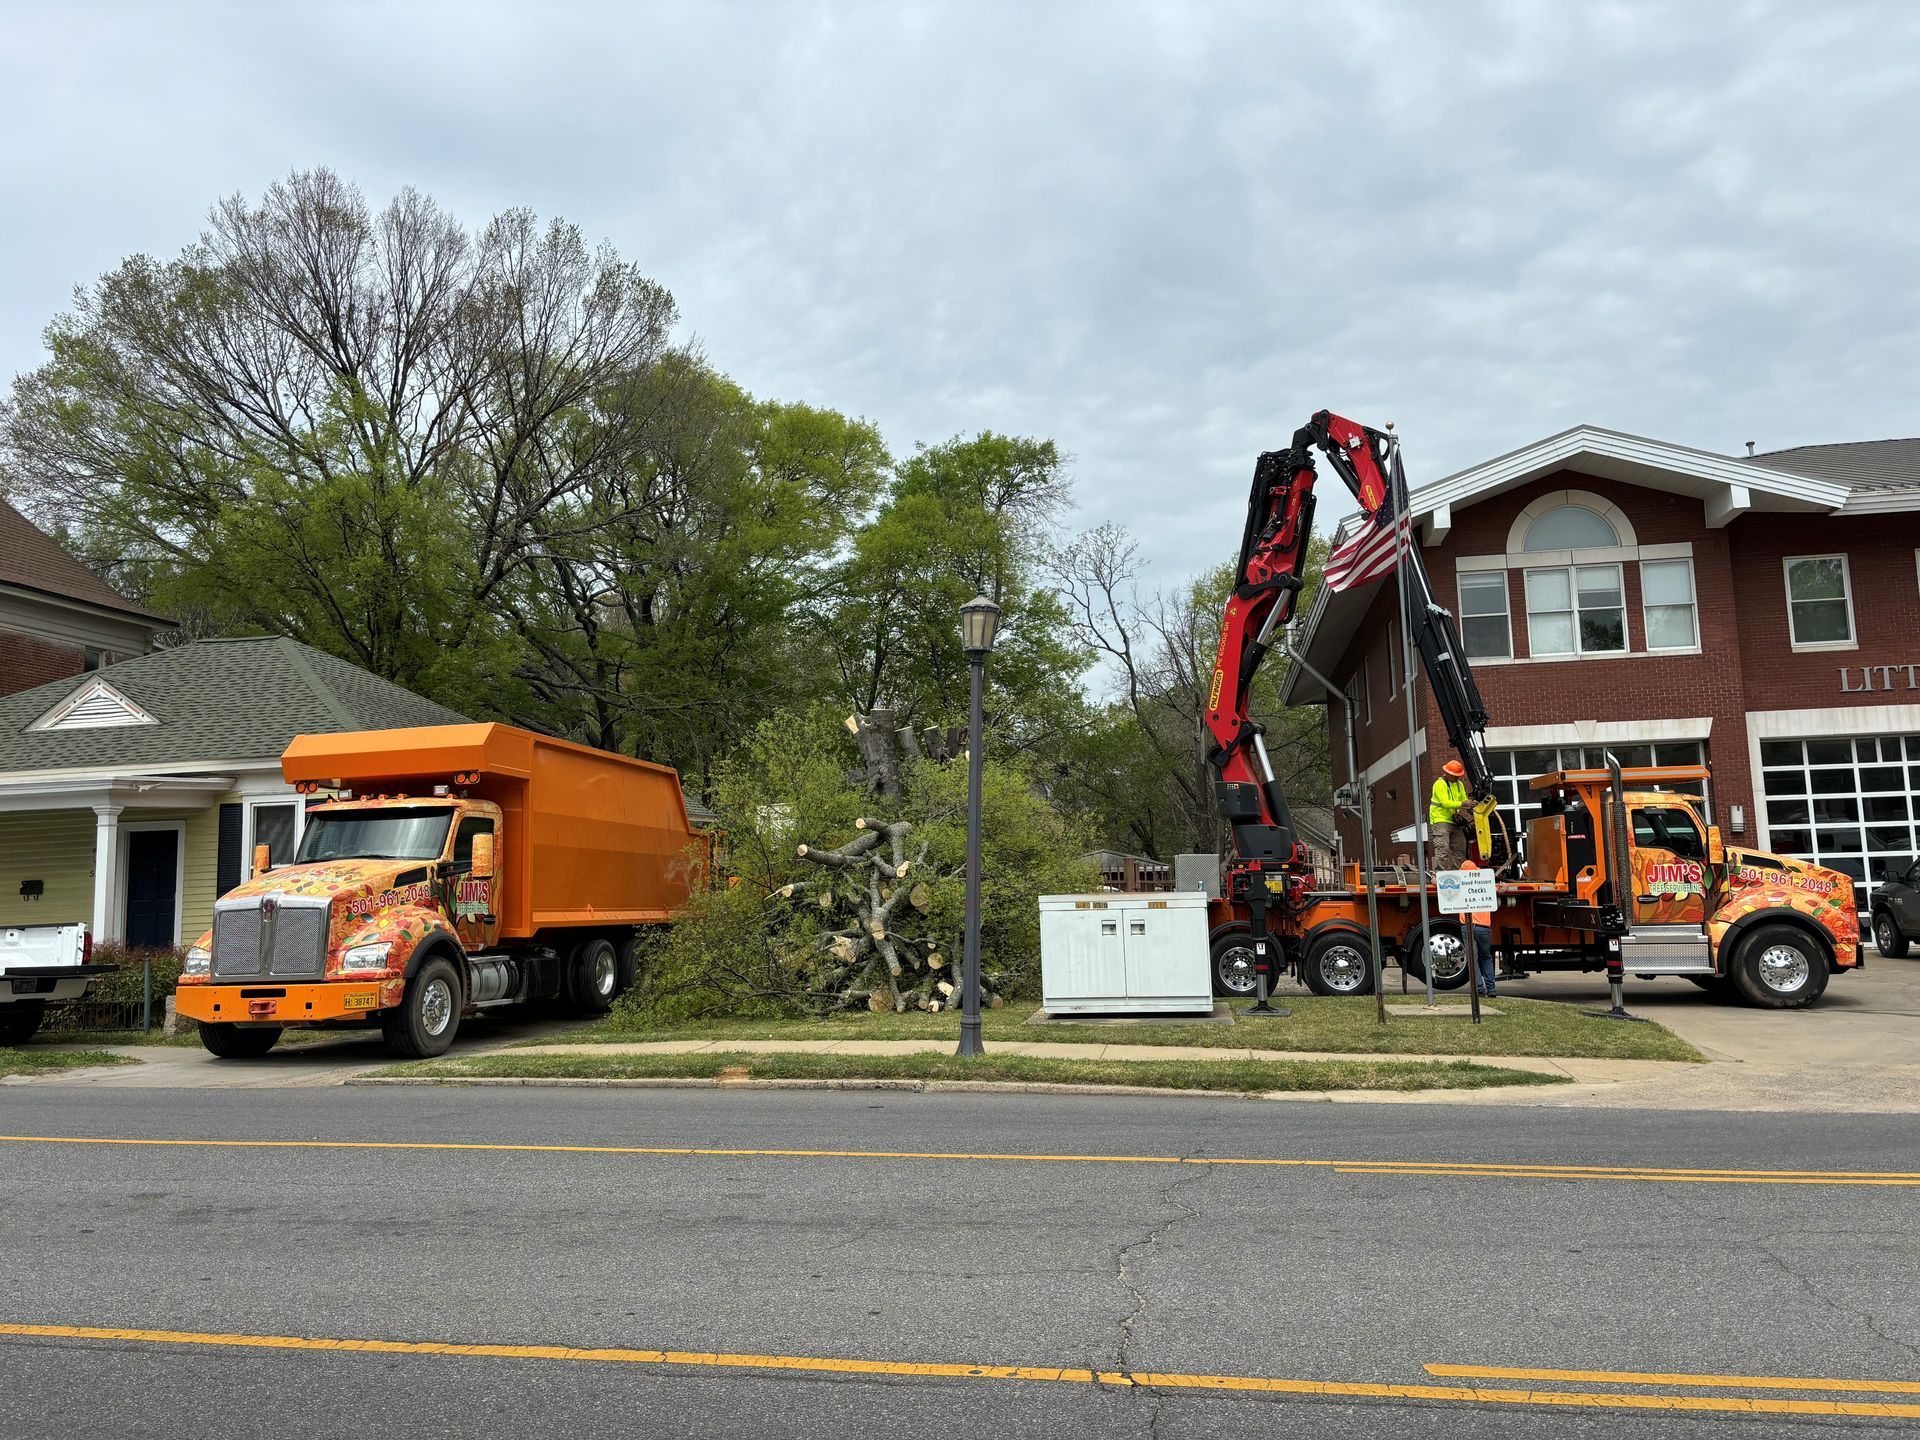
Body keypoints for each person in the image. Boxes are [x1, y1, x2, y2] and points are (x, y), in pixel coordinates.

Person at [1461, 858, 1496, 997]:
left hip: (1467, 926)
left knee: (1472, 959)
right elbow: (1497, 889)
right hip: (1483, 927)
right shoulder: (1484, 884)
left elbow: (1442, 886)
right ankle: (1491, 989)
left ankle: (1478, 989)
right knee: (1486, 958)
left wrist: (1435, 880)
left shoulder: (1460, 885)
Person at [1428, 759, 1471, 871]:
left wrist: (1469, 804)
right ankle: (1439, 872)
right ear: (1447, 773)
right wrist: (1462, 803)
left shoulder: (1459, 784)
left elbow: (1463, 799)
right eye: (1455, 775)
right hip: (1440, 819)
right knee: (1442, 847)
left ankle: (1456, 872)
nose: (1457, 777)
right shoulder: (1440, 784)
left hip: (1453, 820)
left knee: (1460, 846)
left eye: (1458, 775)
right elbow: (1445, 803)